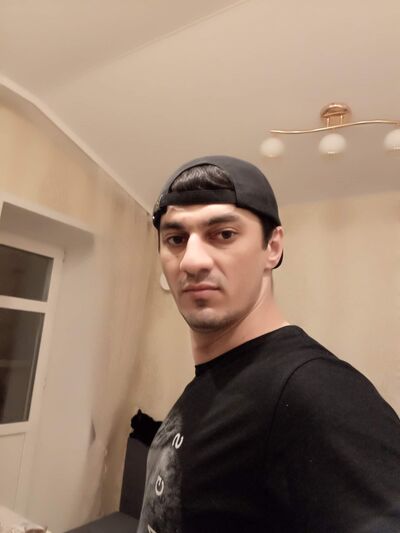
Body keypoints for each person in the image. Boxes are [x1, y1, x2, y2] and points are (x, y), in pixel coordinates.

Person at [137, 155, 400, 533]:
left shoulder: (314, 390)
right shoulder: (215, 379)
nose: (191, 261)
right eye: (176, 239)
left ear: (272, 247)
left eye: (223, 234)